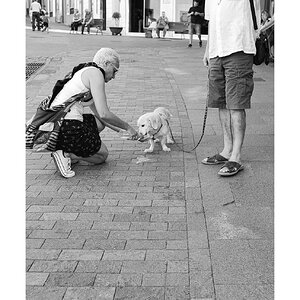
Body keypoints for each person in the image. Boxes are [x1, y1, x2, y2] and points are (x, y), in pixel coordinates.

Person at [50, 48, 139, 178]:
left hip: (58, 124)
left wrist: (122, 132)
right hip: (68, 126)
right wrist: (129, 128)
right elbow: (104, 113)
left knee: (98, 123)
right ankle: (66, 154)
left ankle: (68, 148)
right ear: (107, 64)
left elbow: (100, 116)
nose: (114, 76)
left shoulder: (86, 71)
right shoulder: (96, 74)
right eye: (114, 71)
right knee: (102, 156)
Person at [202, 0, 261, 177]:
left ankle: (236, 156)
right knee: (221, 103)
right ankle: (226, 150)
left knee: (236, 104)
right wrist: (207, 51)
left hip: (239, 50)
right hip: (215, 53)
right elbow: (212, 22)